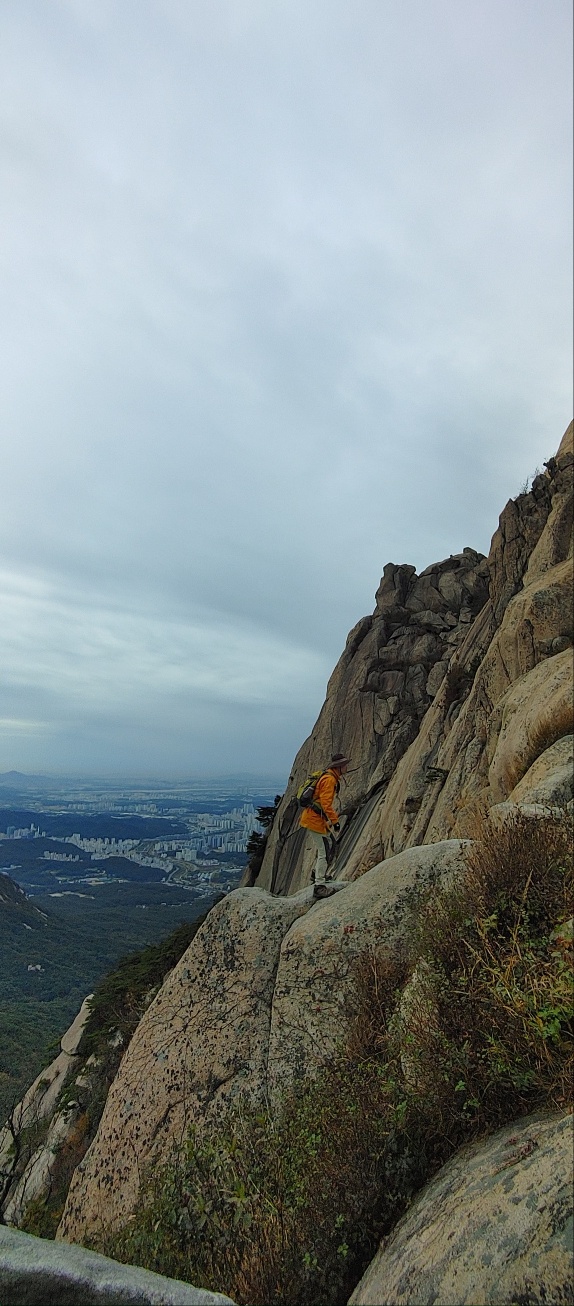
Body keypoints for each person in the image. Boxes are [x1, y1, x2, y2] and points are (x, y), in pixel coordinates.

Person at [299, 753, 350, 886]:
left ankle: (317, 873)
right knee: (324, 851)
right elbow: (326, 804)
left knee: (331, 844)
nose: (346, 768)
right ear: (338, 767)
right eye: (344, 765)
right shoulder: (329, 780)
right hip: (314, 820)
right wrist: (335, 822)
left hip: (317, 819)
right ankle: (319, 885)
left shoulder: (329, 776)